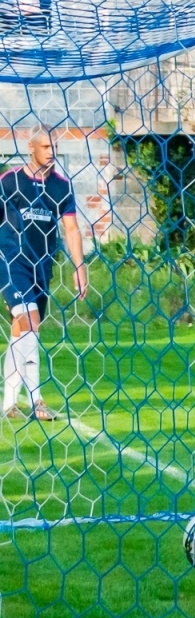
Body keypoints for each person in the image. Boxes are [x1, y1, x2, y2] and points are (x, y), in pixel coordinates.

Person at [0, 129, 87, 420]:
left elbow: (71, 228)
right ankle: (37, 401)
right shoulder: (9, 181)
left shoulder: (61, 187)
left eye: (55, 146)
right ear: (31, 147)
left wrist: (79, 265)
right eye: (46, 146)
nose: (51, 151)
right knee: (30, 319)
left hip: (42, 267)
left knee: (23, 330)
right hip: (11, 262)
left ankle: (9, 402)